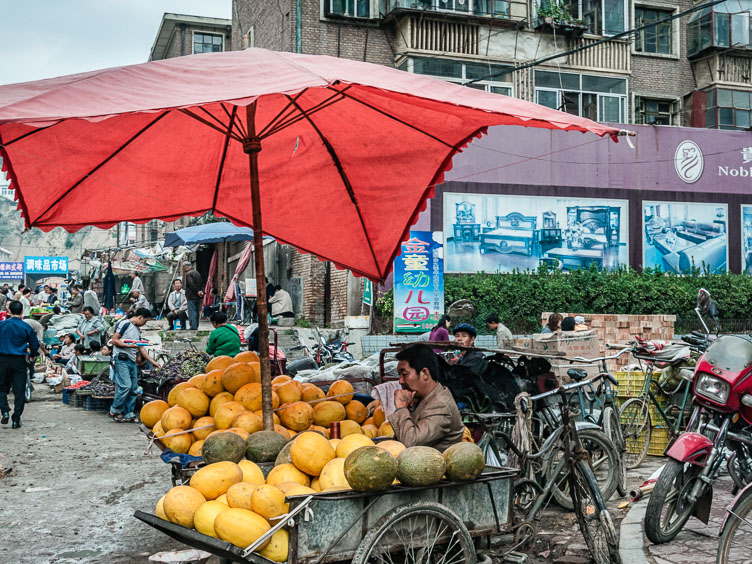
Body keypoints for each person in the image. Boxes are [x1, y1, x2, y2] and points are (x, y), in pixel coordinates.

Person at [387, 343, 464, 450]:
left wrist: (401, 408)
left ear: (425, 374)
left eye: (404, 374)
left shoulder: (441, 406)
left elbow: (410, 442)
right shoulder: (425, 396)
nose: (400, 381)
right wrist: (410, 409)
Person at [110, 308, 160, 423]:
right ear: (140, 317)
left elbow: (140, 347)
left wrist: (152, 362)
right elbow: (114, 340)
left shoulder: (137, 330)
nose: (144, 324)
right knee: (125, 386)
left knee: (133, 388)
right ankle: (115, 409)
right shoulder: (124, 324)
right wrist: (128, 346)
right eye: (145, 321)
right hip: (121, 359)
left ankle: (129, 413)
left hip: (132, 361)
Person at [0, 300, 40, 429]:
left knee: (1, 388)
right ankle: (16, 419)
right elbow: (34, 345)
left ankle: (5, 410)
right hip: (19, 361)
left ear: (9, 311)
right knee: (19, 390)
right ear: (22, 311)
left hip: (2, 360)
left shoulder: (2, 325)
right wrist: (33, 355)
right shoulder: (25, 326)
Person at [182, 261, 204, 330]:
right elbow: (201, 283)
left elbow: (191, 284)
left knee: (192, 311)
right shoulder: (197, 273)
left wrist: (197, 291)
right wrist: (200, 291)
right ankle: (196, 326)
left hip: (191, 295)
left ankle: (193, 326)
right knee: (196, 311)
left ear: (186, 266)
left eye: (183, 267)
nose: (183, 269)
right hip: (197, 296)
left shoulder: (188, 274)